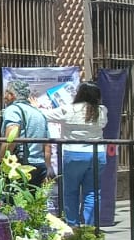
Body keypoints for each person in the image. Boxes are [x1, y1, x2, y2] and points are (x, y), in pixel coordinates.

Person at [36, 81, 107, 226]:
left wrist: (37, 106)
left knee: (70, 191)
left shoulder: (69, 109)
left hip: (74, 153)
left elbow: (45, 115)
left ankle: (73, 226)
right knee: (92, 192)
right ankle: (90, 227)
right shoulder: (102, 110)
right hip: (97, 153)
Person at [0, 78, 49, 186]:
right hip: (39, 165)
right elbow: (47, 145)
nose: (4, 97)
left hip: (20, 166)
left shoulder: (13, 109)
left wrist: (1, 161)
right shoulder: (38, 113)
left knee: (15, 196)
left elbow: (11, 137)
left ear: (12, 95)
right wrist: (47, 167)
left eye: (6, 93)